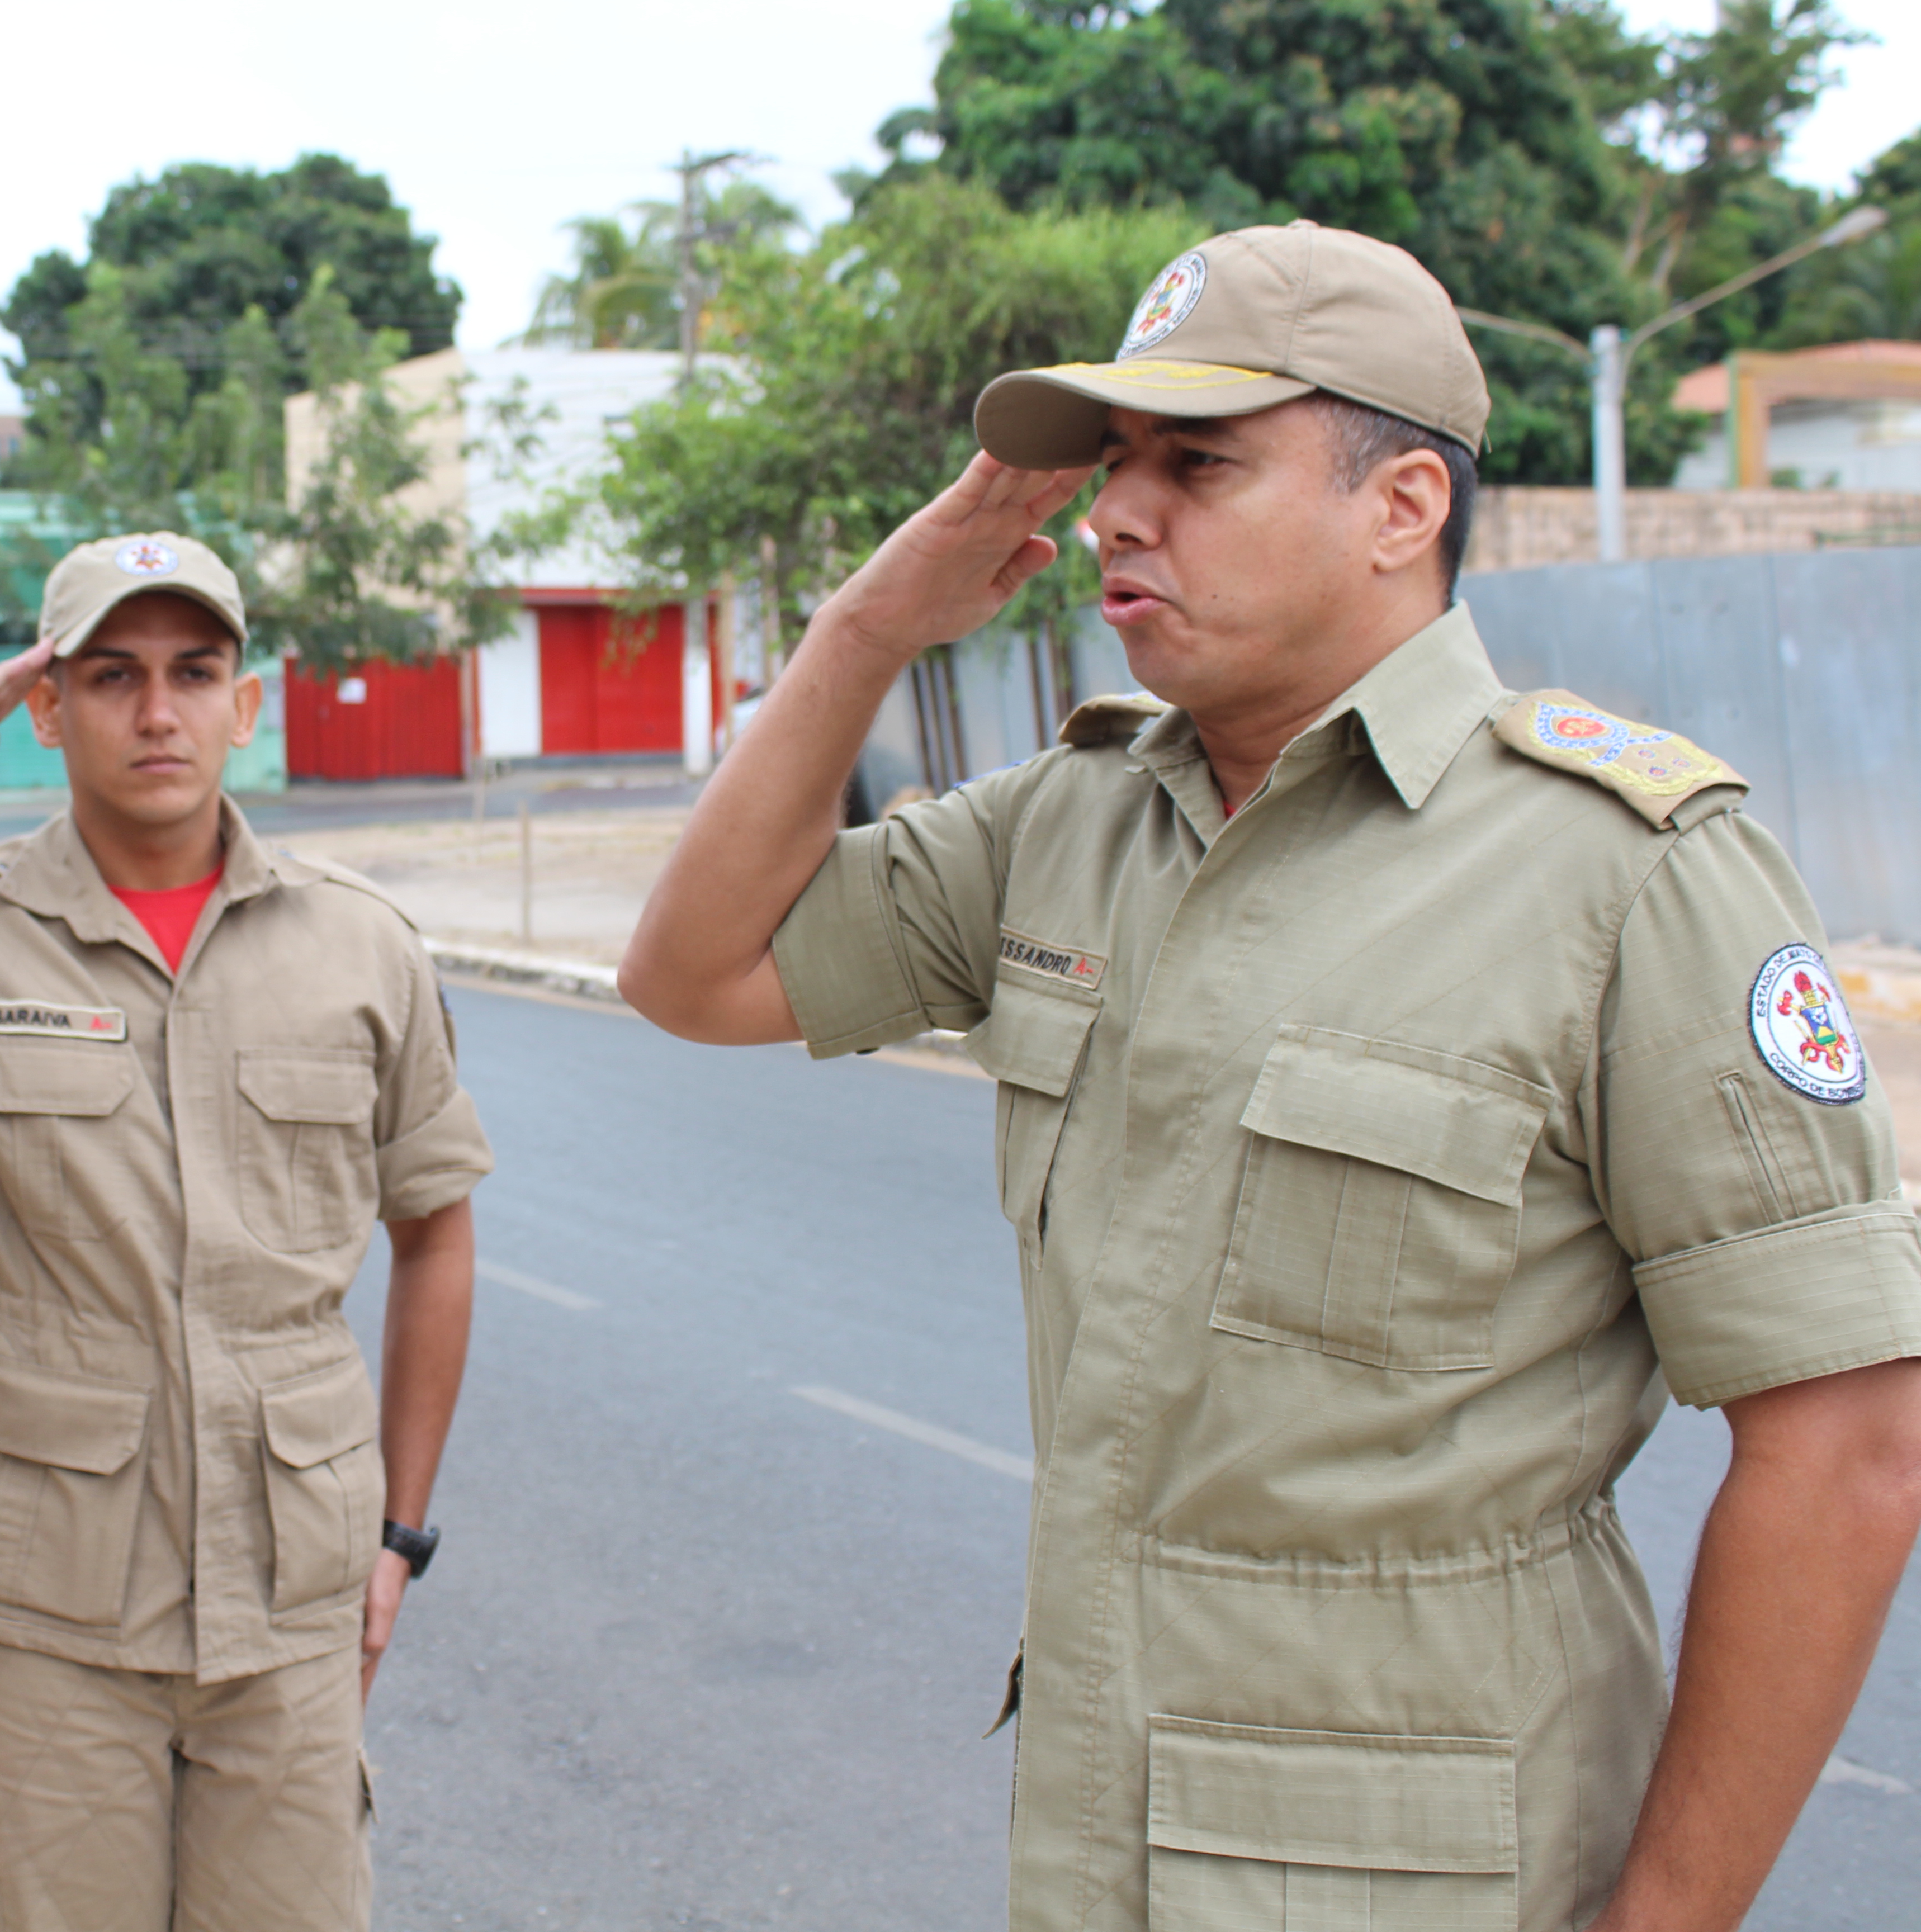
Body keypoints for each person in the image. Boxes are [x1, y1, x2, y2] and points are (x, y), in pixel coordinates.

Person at [619, 220, 1921, 1931]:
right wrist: (871, 624)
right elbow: (692, 973)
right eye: (1114, 463)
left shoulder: (1628, 868)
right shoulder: (1073, 822)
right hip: (1106, 1830)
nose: (1114, 513)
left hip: (1447, 1869)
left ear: (1402, 509)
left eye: (1199, 462)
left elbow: (1848, 1440)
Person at [0, 531, 492, 1932]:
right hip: (43, 1592)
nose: (158, 713)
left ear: (247, 702)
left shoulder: (363, 947)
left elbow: (437, 1230)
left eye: (193, 671)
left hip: (293, 1583)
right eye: (111, 676)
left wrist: (402, 1531)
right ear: (44, 708)